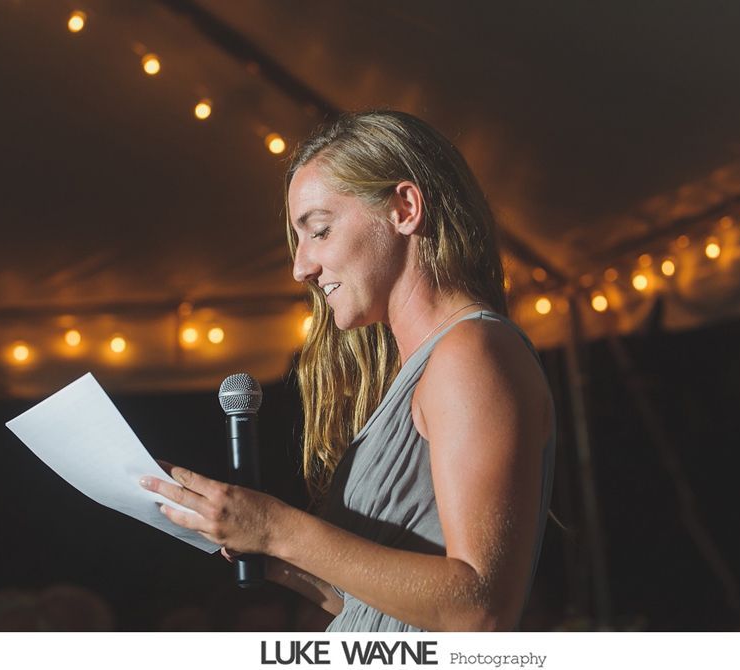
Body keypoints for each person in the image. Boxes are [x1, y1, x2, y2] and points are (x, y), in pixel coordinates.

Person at [140, 110, 556, 631]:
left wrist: (275, 528)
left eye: (319, 230)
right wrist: (267, 552)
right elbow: (385, 608)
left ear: (405, 208)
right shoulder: (423, 369)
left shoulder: (470, 352)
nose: (301, 266)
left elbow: (478, 608)